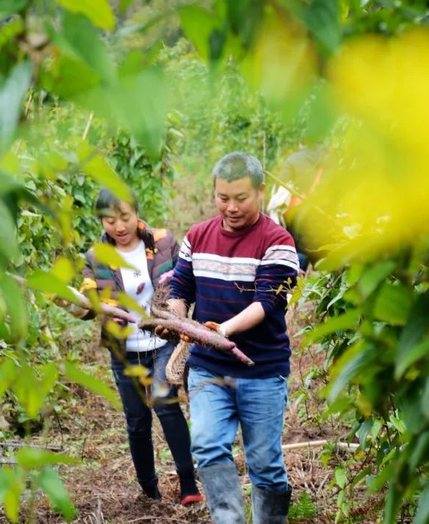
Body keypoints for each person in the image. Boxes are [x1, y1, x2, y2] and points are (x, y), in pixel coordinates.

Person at [163, 152, 300, 523]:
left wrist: (222, 330)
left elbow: (268, 303)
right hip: (208, 368)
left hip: (262, 370)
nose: (232, 207)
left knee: (265, 465)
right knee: (207, 445)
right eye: (223, 198)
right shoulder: (197, 236)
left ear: (260, 192)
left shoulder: (279, 241)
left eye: (241, 198)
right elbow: (181, 288)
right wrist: (179, 321)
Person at [71, 188, 202, 506]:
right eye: (109, 220)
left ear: (137, 214)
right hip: (124, 349)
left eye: (125, 217)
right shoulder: (97, 256)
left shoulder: (163, 242)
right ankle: (149, 490)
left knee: (165, 402)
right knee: (136, 420)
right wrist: (73, 304)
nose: (119, 227)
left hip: (162, 341)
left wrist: (177, 312)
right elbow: (89, 301)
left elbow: (186, 282)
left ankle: (188, 484)